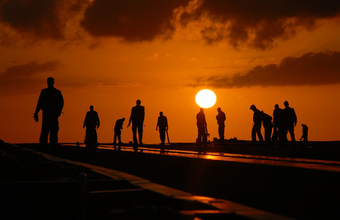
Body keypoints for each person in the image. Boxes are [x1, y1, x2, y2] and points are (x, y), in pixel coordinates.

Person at [34, 77, 64, 153]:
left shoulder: (56, 92)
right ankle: (45, 149)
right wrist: (36, 113)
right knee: (46, 132)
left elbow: (61, 103)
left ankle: (51, 149)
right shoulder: (45, 92)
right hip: (48, 115)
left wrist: (58, 112)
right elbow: (39, 103)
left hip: (52, 115)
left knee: (52, 133)